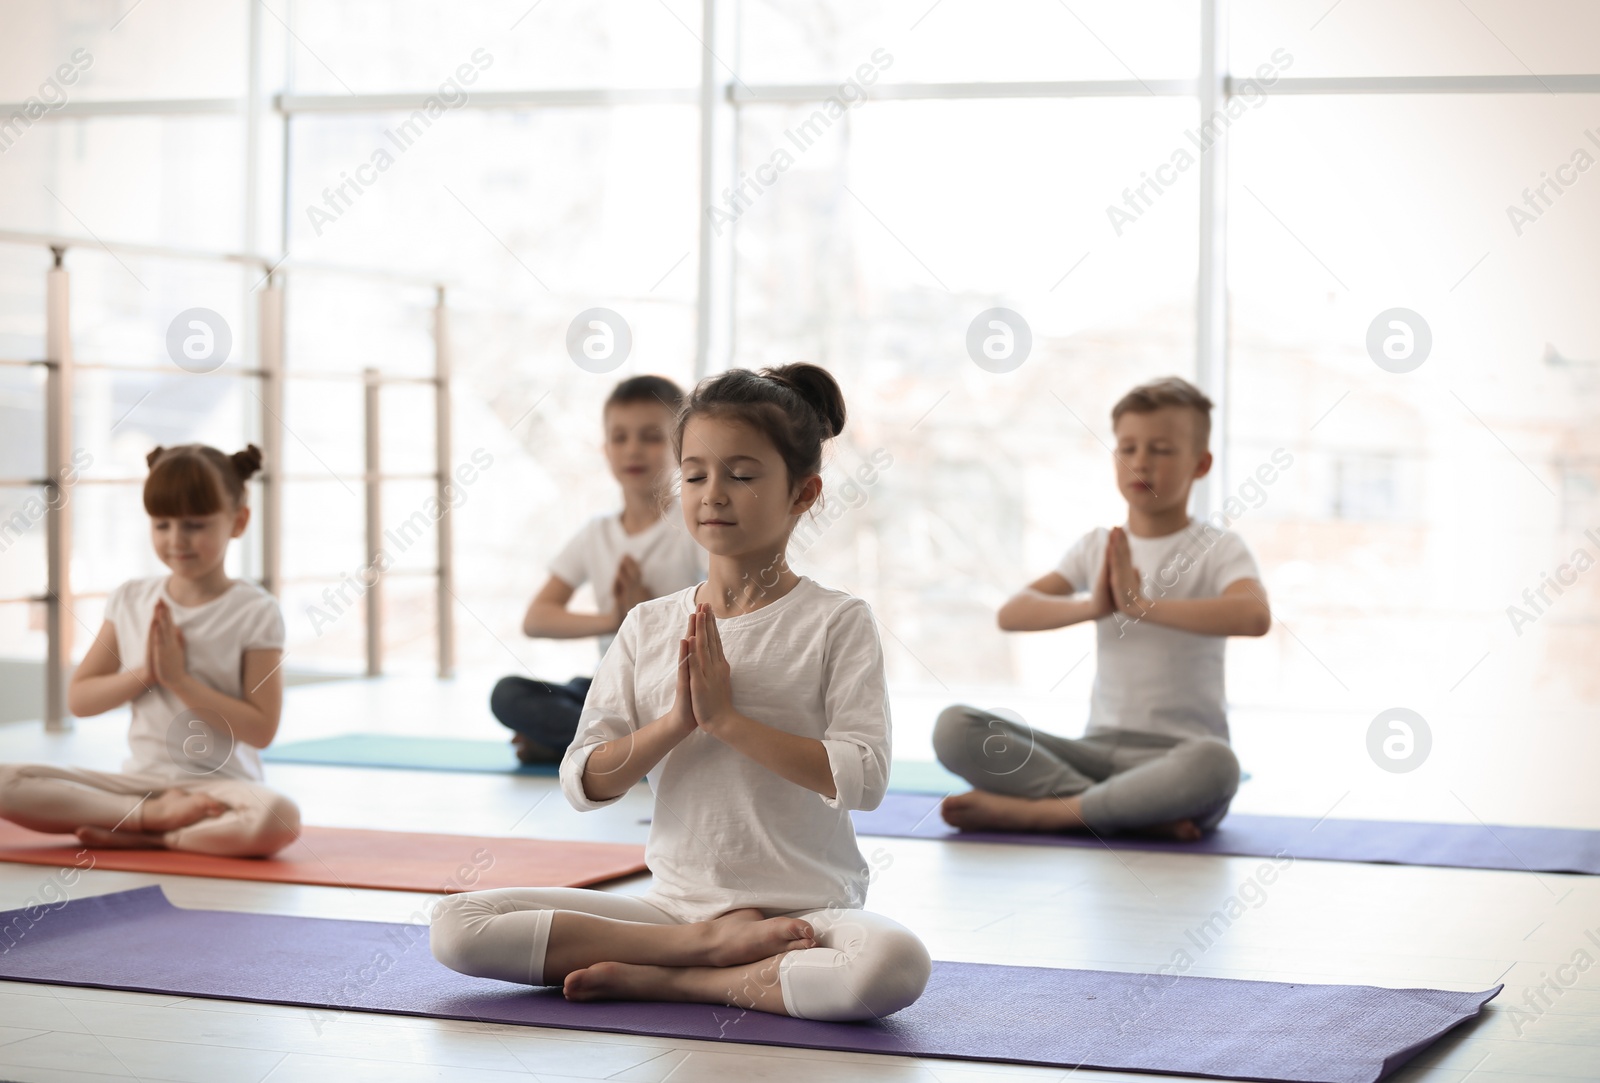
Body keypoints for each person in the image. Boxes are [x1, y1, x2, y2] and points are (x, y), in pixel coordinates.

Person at [432, 363, 931, 1021]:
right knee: (457, 923)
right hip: (671, 907)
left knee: (891, 965)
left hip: (808, 911)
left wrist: (728, 721)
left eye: (742, 475)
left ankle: (682, 980)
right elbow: (583, 780)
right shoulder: (648, 624)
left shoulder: (837, 621)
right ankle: (703, 947)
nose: (713, 493)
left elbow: (862, 779)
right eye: (695, 474)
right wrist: (675, 723)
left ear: (803, 493)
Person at [934, 376, 1271, 840]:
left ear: (1201, 463)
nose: (1141, 462)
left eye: (1162, 449)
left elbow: (1253, 615)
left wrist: (1143, 606)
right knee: (955, 728)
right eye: (1128, 448)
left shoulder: (1218, 548)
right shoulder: (1097, 547)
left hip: (1177, 759)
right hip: (1094, 755)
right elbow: (1012, 613)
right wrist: (1095, 605)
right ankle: (1129, 813)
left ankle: (1042, 814)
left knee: (1218, 765)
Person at [0, 444, 300, 856]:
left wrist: (180, 680)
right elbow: (80, 699)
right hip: (140, 784)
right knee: (5, 782)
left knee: (278, 817)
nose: (177, 540)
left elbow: (261, 730)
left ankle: (152, 834)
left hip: (223, 787)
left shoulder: (256, 611)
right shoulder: (131, 599)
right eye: (162, 525)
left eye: (196, 525)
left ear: (238, 521)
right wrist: (144, 673)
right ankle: (150, 816)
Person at [491, 375, 706, 764]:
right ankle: (625, 750)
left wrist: (651, 619)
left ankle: (594, 749)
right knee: (508, 694)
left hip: (670, 692)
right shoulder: (596, 534)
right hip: (609, 691)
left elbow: (732, 612)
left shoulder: (695, 525)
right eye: (619, 438)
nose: (633, 450)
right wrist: (615, 619)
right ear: (605, 448)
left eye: (651, 436)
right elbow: (537, 620)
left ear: (681, 446)